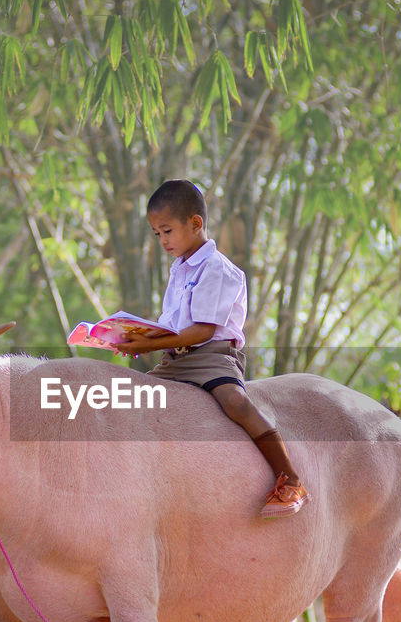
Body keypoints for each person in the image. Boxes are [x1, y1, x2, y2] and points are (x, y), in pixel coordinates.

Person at [114, 179, 309, 518]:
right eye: (156, 234)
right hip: (176, 359)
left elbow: (202, 330)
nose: (162, 241)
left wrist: (150, 342)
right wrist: (136, 339)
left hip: (212, 357)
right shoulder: (180, 269)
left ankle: (290, 478)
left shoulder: (218, 269)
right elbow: (174, 326)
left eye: (167, 231)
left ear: (195, 223)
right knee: (134, 398)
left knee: (235, 402)